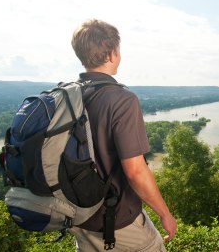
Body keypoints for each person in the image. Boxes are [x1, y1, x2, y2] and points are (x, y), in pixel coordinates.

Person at [69, 19, 177, 252]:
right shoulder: (122, 100)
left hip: (79, 218)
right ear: (111, 54)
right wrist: (165, 214)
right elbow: (135, 171)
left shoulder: (68, 97)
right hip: (115, 219)